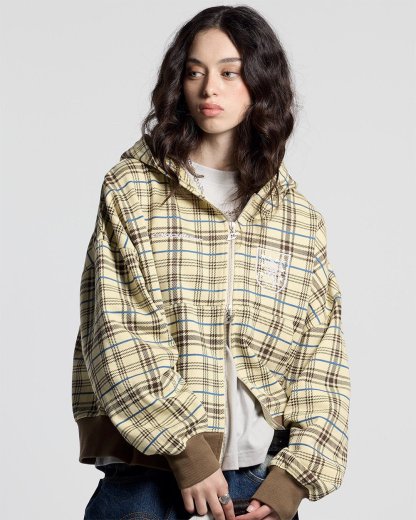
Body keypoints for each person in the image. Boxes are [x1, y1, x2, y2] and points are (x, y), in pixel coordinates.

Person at [72, 5, 351, 520]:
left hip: (259, 487)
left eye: (229, 72)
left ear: (260, 83)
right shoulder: (132, 190)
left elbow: (320, 358)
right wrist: (189, 453)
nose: (209, 89)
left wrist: (293, 480)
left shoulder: (297, 217)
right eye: (194, 72)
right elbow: (117, 329)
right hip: (148, 477)